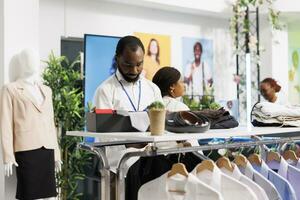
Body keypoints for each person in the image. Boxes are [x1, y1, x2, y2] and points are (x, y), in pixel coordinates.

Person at [93, 35, 163, 199]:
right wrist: (128, 144)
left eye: (139, 65)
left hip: (151, 161)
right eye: (128, 65)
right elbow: (102, 135)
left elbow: (161, 125)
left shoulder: (152, 90)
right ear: (117, 59)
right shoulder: (105, 91)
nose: (134, 71)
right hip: (119, 167)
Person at [0, 49, 61, 200]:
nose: (32, 62)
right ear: (21, 63)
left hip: (47, 150)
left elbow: (50, 124)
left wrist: (57, 154)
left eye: (34, 59)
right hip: (26, 151)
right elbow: (5, 124)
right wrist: (7, 156)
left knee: (49, 196)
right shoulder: (11, 89)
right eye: (27, 59)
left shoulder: (46, 90)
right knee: (29, 195)